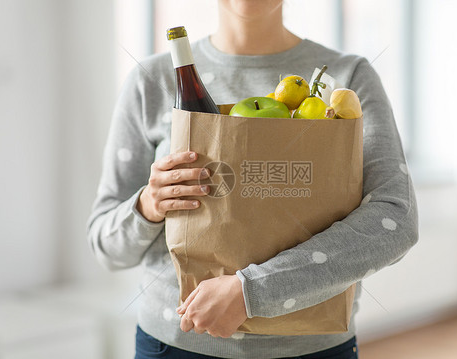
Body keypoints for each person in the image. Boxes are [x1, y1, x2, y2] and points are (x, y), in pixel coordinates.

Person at [87, 0, 418, 358]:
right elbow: (105, 248)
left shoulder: (347, 79)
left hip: (312, 347)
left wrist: (252, 292)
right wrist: (148, 204)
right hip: (175, 342)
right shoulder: (150, 80)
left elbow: (395, 219)